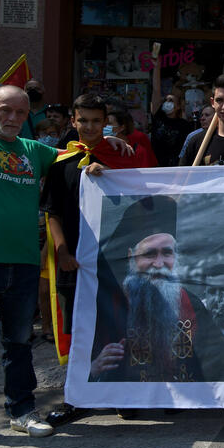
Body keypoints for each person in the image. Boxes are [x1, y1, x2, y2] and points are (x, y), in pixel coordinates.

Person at [42, 93, 144, 426]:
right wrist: (62, 252)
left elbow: (142, 198)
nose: (89, 127)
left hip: (113, 261)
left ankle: (117, 394)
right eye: (82, 120)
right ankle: (78, 396)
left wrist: (111, 175)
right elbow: (53, 211)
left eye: (96, 121)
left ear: (106, 123)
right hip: (75, 262)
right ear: (73, 121)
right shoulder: (60, 163)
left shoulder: (121, 156)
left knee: (115, 323)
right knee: (77, 326)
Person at [90, 196, 224, 382]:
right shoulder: (109, 304)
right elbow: (84, 361)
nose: (159, 263)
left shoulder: (190, 304)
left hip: (182, 403)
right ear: (131, 256)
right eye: (149, 254)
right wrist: (93, 368)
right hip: (132, 402)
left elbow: (219, 360)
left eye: (167, 253)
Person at [0, 85, 59, 437]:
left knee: (18, 344)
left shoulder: (35, 150)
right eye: (5, 110)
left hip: (24, 262)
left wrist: (111, 147)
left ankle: (22, 411)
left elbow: (78, 156)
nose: (13, 118)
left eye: (20, 112)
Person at [150, 63, 194, 166]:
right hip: (157, 166)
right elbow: (156, 90)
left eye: (171, 100)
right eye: (166, 100)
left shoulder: (184, 125)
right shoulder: (158, 118)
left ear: (178, 106)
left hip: (176, 167)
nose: (167, 102)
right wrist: (156, 66)